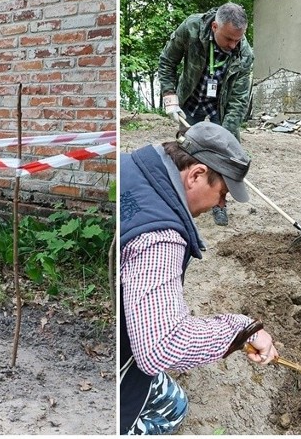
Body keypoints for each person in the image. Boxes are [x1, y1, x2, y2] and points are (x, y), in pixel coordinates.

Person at [119, 121, 278, 435]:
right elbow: (162, 346)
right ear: (195, 175)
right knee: (165, 412)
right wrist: (242, 332)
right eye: (222, 194)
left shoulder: (134, 164)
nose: (221, 204)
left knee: (174, 402)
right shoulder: (160, 238)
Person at [158, 2, 254, 226]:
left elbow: (239, 99)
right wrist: (170, 96)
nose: (233, 45)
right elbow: (167, 61)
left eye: (237, 40)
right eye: (228, 39)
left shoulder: (244, 54)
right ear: (214, 27)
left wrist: (226, 138)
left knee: (227, 159)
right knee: (185, 152)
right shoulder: (191, 28)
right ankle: (178, 199)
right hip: (190, 101)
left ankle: (219, 203)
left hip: (220, 107)